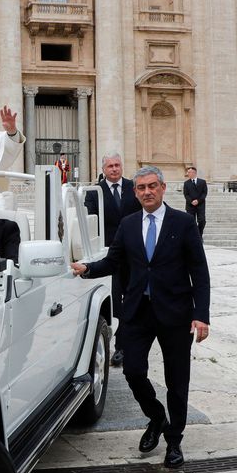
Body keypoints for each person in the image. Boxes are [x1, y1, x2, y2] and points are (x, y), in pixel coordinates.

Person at [71, 166, 210, 467]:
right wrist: (88, 269)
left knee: (177, 380)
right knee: (133, 371)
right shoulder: (129, 224)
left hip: (175, 313)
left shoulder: (183, 223)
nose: (147, 192)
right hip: (138, 310)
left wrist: (201, 315)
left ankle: (174, 441)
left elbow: (199, 271)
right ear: (135, 192)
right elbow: (113, 260)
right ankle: (156, 417)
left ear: (162, 188)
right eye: (141, 188)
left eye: (152, 186)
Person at [84, 153, 142, 366]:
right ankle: (118, 345)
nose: (115, 169)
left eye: (118, 165)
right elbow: (90, 219)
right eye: (110, 166)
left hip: (133, 253)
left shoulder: (133, 187)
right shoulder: (94, 192)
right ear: (104, 168)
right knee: (115, 300)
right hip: (108, 253)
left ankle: (129, 342)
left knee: (134, 297)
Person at [182, 165, 207, 236]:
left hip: (200, 205)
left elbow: (204, 193)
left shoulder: (202, 182)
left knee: (202, 220)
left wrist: (198, 201)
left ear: (194, 173)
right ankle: (193, 236)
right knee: (190, 222)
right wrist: (191, 201)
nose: (188, 174)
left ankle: (199, 234)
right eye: (188, 172)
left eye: (189, 172)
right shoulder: (186, 183)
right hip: (190, 205)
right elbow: (186, 194)